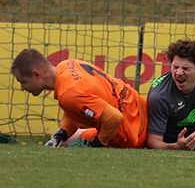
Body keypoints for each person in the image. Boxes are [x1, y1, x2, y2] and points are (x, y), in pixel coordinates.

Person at [11, 48, 148, 149]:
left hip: (133, 134)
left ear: (36, 74)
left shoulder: (68, 93)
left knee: (71, 144)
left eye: (23, 82)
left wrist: (96, 145)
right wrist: (61, 134)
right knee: (63, 141)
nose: (23, 88)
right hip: (142, 109)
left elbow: (113, 118)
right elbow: (76, 111)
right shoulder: (67, 65)